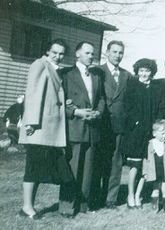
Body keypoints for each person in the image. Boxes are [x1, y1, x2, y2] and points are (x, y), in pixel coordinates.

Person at [18, 39, 72, 219]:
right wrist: (31, 123)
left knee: (39, 168)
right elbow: (32, 92)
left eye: (62, 53)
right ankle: (27, 207)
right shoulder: (39, 64)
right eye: (55, 52)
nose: (58, 56)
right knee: (33, 167)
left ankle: (27, 206)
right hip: (39, 127)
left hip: (50, 128)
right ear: (48, 51)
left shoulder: (54, 69)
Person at [59, 42, 105, 217]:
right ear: (77, 54)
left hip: (92, 128)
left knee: (88, 170)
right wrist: (76, 112)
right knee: (72, 168)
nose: (91, 56)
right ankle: (67, 207)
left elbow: (101, 98)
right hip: (75, 128)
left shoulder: (95, 75)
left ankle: (83, 205)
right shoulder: (66, 74)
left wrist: (98, 113)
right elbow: (58, 101)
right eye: (87, 53)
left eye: (92, 53)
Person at [122, 58, 165, 209]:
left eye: (147, 71)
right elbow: (126, 107)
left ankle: (138, 195)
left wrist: (158, 126)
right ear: (137, 71)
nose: (144, 74)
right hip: (136, 133)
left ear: (152, 72)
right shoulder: (132, 85)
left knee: (146, 167)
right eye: (141, 70)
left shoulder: (156, 88)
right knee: (135, 166)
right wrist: (134, 122)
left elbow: (162, 108)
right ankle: (130, 195)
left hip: (151, 133)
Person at [90, 40, 132, 210]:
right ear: (107, 52)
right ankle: (93, 197)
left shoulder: (127, 75)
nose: (117, 55)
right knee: (97, 161)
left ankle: (110, 199)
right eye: (114, 52)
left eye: (120, 52)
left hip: (119, 126)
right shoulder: (97, 71)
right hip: (101, 124)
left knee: (116, 163)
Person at [142, 119, 165, 216]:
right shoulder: (150, 144)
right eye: (162, 133)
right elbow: (146, 158)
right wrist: (145, 171)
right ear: (154, 133)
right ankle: (154, 205)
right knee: (155, 189)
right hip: (155, 171)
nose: (164, 136)